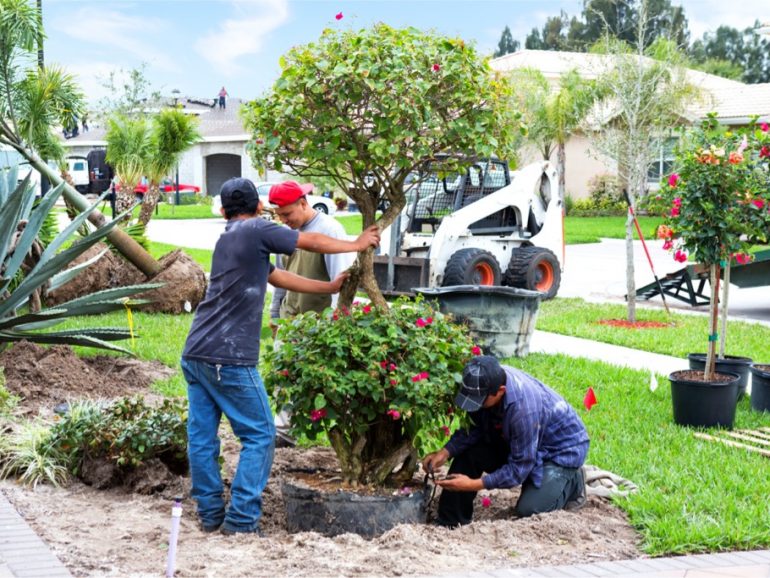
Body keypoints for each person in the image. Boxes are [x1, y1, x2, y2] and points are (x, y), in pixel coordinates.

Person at [181, 177, 380, 536]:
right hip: (229, 357)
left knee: (202, 437)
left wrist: (329, 288)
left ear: (225, 211)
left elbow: (277, 277)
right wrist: (356, 242)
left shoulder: (228, 238)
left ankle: (210, 515)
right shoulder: (256, 229)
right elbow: (312, 240)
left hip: (196, 352)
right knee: (260, 434)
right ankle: (241, 521)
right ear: (259, 208)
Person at [422, 355, 589, 527]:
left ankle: (573, 481)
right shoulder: (483, 384)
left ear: (500, 391)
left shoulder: (523, 411)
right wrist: (444, 452)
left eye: (479, 401)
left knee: (529, 510)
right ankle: (451, 520)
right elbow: (475, 428)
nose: (474, 406)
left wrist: (472, 484)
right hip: (523, 440)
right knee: (469, 452)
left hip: (559, 451)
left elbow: (519, 469)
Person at [267, 180, 356, 446]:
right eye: (279, 216)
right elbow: (280, 277)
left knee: (325, 384)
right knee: (285, 378)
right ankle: (284, 434)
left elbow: (342, 283)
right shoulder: (287, 235)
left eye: (287, 214)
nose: (284, 220)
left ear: (303, 204)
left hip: (319, 323)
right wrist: (275, 315)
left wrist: (337, 323)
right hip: (290, 318)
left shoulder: (330, 230)